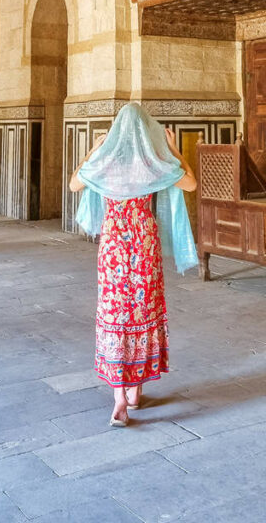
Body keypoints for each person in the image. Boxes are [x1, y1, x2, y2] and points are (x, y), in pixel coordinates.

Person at [69, 102, 198, 427]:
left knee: (115, 311)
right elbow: (190, 184)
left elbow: (74, 185)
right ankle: (135, 393)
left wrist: (91, 150)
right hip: (143, 243)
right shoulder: (151, 162)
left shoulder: (107, 161)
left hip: (113, 245)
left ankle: (118, 399)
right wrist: (173, 149)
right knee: (142, 309)